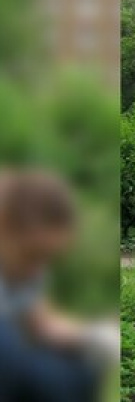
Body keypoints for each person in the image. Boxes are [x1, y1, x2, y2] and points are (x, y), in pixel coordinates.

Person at [0, 170, 118, 402]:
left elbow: (42, 322)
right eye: (33, 255)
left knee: (81, 368)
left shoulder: (25, 267)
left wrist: (97, 336)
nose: (37, 269)